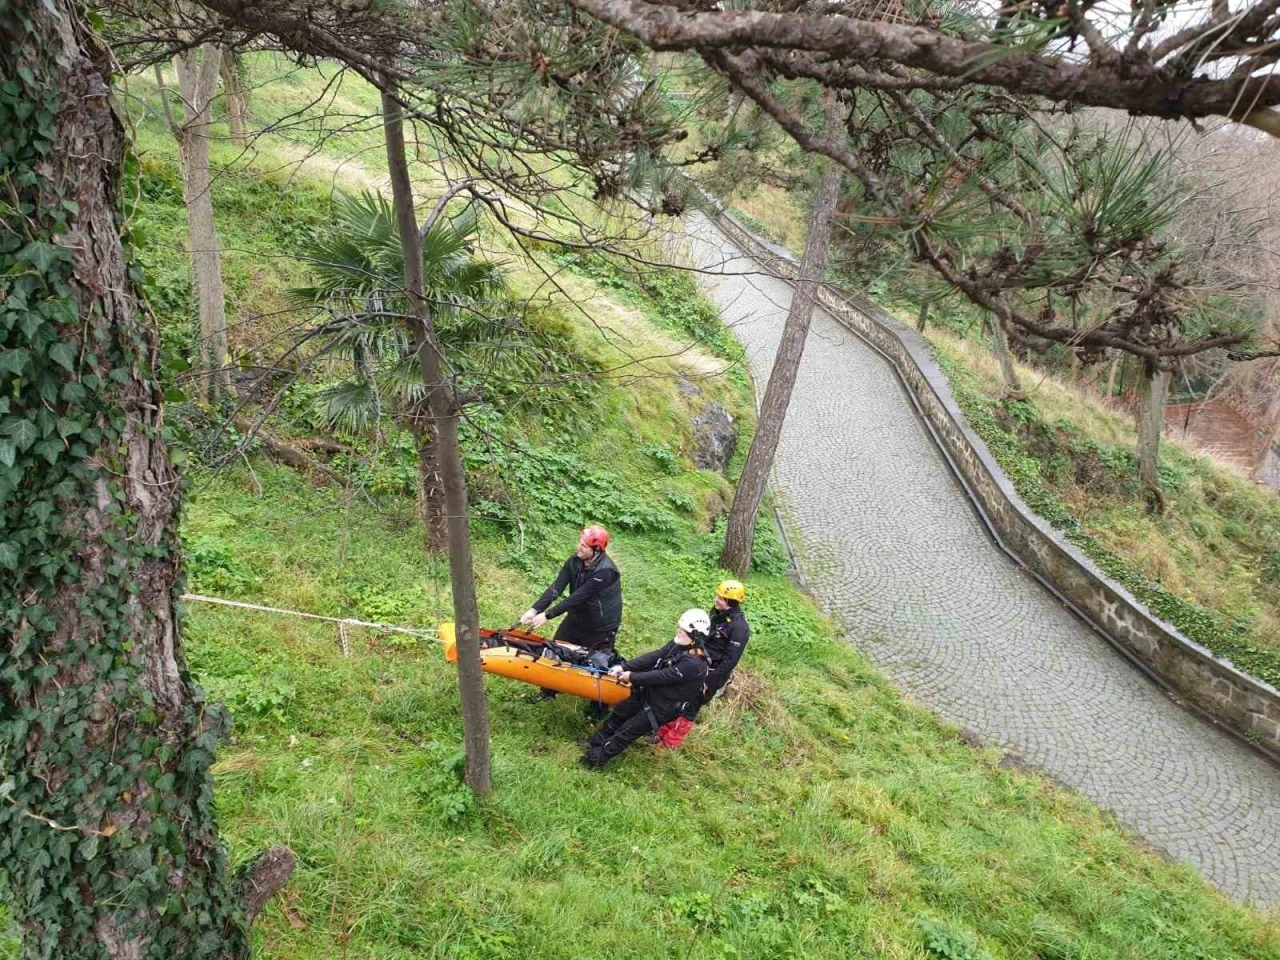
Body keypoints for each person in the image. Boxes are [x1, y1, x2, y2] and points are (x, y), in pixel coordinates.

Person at [580, 609, 711, 769]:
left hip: (663, 707)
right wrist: (624, 666)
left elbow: (662, 676)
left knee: (627, 731)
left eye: (682, 630)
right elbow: (656, 656)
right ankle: (595, 742)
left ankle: (594, 760)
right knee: (619, 714)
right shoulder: (679, 645)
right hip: (650, 693)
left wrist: (632, 677)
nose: (678, 631)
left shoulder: (694, 664)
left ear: (694, 636)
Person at [654, 579, 750, 749]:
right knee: (677, 699)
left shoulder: (739, 628)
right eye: (717, 596)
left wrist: (709, 682)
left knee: (690, 708)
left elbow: (729, 661)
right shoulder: (717, 615)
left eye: (720, 598)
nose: (716, 599)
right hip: (695, 665)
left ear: (730, 601)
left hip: (711, 675)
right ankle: (660, 732)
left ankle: (670, 743)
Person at [520, 524, 623, 655]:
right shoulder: (575, 561)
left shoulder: (606, 572)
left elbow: (578, 597)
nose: (579, 548)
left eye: (584, 546)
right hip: (576, 619)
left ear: (596, 550)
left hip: (599, 627)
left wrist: (547, 615)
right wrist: (534, 610)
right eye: (580, 543)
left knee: (593, 664)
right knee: (556, 652)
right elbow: (556, 587)